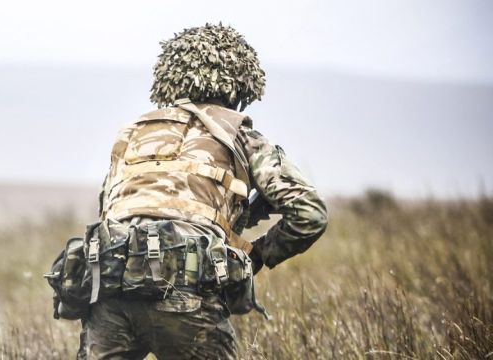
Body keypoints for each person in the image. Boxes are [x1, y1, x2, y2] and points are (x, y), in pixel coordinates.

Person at [77, 23, 329, 359]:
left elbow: (110, 210)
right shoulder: (240, 135)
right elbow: (310, 213)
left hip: (111, 286)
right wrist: (258, 255)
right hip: (187, 294)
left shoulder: (134, 134)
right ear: (240, 86)